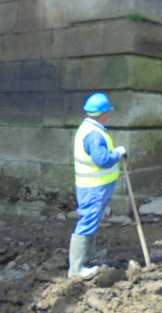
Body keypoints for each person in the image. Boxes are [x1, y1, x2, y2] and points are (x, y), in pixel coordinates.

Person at [68, 92, 127, 279]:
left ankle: (90, 254)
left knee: (93, 220)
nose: (109, 115)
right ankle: (76, 269)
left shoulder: (88, 127)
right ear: (103, 113)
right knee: (88, 221)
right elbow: (103, 160)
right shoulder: (94, 134)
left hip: (94, 185)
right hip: (94, 186)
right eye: (108, 112)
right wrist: (118, 153)